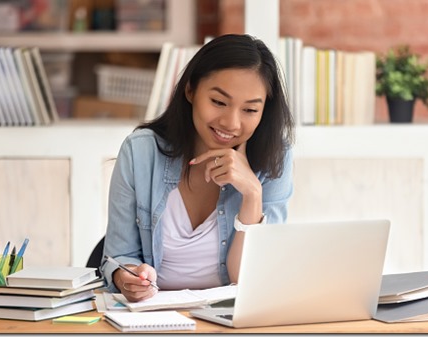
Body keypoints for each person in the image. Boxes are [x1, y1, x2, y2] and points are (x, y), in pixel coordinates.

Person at [101, 34, 295, 302]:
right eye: (218, 102)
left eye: (250, 110)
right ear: (190, 90)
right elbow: (118, 256)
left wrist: (252, 194)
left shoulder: (275, 158)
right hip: (154, 319)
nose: (231, 123)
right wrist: (129, 278)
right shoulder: (141, 152)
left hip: (228, 320)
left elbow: (251, 281)